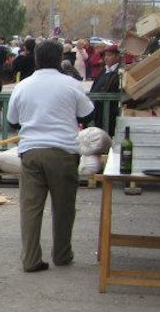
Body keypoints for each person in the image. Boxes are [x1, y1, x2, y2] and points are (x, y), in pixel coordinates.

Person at [6, 40, 94, 273]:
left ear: (35, 59)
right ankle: (62, 254)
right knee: (64, 207)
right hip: (63, 152)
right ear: (59, 59)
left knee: (31, 208)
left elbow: (12, 121)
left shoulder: (23, 86)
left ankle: (31, 259)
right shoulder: (71, 84)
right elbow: (88, 113)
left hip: (31, 152)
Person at [90, 45, 122, 134]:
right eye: (105, 55)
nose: (106, 58)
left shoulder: (120, 72)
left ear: (117, 57)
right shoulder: (104, 70)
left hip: (110, 112)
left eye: (109, 55)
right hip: (98, 110)